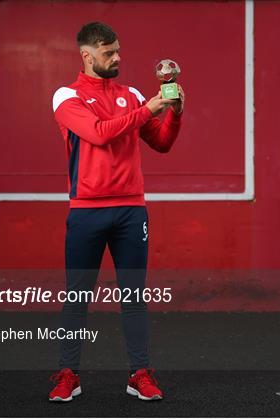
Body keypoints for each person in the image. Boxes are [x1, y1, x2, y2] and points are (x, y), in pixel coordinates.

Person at [49, 21, 184, 402]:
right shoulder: (66, 96)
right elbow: (99, 133)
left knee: (134, 297)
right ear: (87, 56)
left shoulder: (133, 94)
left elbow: (161, 142)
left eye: (118, 51)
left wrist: (174, 111)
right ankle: (67, 375)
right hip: (86, 212)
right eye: (109, 53)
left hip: (130, 211)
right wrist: (150, 109)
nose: (117, 58)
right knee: (76, 296)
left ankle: (139, 374)